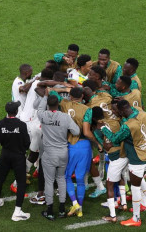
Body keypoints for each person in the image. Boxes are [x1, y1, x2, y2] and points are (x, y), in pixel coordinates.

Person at [100, 100, 146, 226]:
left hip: (137, 159)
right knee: (141, 181)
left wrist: (104, 129)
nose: (114, 112)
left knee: (135, 188)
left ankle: (136, 218)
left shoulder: (128, 125)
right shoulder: (141, 113)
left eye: (116, 110)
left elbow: (115, 139)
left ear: (122, 111)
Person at [49, 87, 100, 217]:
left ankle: (74, 202)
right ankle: (80, 209)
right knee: (80, 179)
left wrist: (64, 87)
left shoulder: (64, 104)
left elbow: (51, 92)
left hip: (70, 146)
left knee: (65, 176)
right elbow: (87, 132)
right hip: (85, 146)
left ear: (70, 96)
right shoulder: (87, 110)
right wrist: (97, 142)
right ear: (82, 96)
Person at [37, 92, 80, 220]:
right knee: (61, 178)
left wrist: (44, 96)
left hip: (49, 153)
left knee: (49, 181)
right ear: (58, 104)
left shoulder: (42, 115)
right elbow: (76, 131)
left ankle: (50, 211)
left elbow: (39, 108)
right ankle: (61, 209)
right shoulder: (65, 117)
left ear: (48, 105)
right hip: (63, 153)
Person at [0, 101, 31, 221]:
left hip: (5, 155)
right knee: (21, 182)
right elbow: (27, 143)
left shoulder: (0, 124)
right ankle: (17, 211)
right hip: (18, 156)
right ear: (17, 111)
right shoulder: (22, 125)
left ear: (7, 111)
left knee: (0, 178)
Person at [91, 106, 128, 222]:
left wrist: (102, 145)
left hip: (115, 157)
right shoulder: (115, 120)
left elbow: (104, 145)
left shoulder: (98, 127)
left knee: (109, 184)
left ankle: (112, 216)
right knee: (121, 176)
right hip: (125, 154)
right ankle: (124, 203)